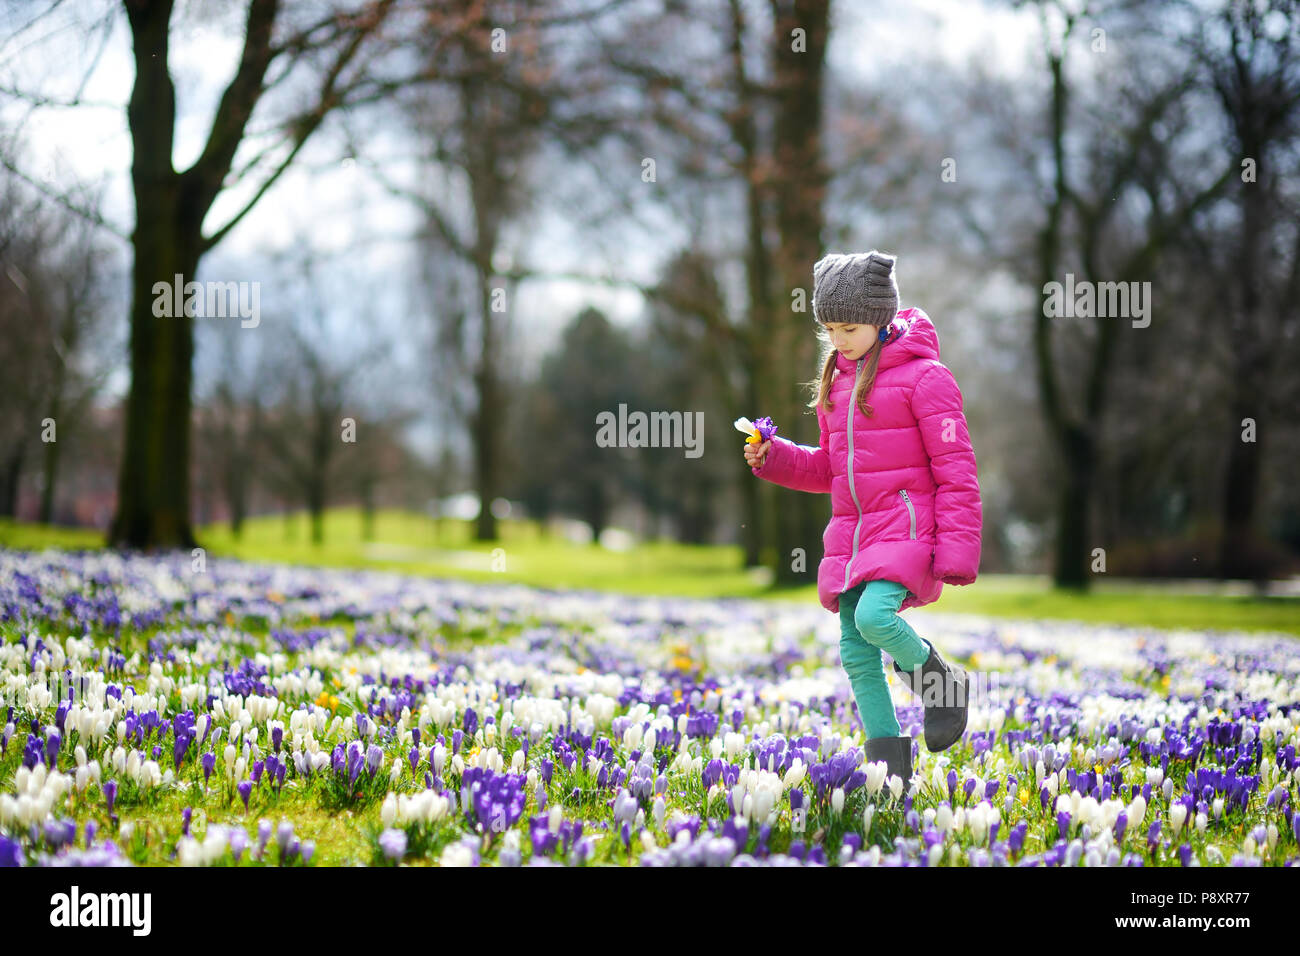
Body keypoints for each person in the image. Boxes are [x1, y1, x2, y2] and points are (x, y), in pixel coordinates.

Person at [743, 250, 982, 791]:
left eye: (849, 327)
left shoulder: (927, 379)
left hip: (905, 526)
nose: (840, 339)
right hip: (853, 533)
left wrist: (958, 550)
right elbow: (829, 467)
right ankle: (889, 775)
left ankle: (942, 685)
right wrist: (775, 455)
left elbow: (958, 470)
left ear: (881, 317)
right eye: (830, 329)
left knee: (877, 619)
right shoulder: (836, 383)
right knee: (855, 649)